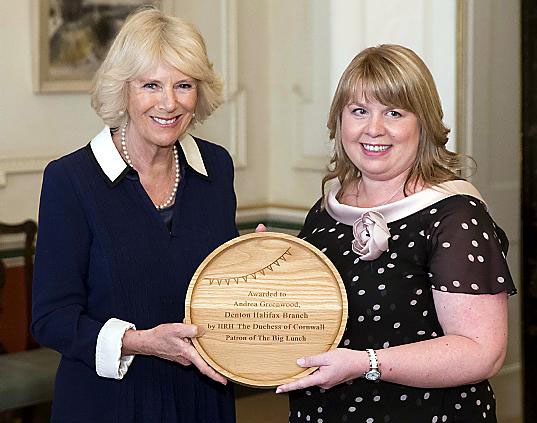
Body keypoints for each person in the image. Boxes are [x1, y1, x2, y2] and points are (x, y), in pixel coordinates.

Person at [276, 44, 516, 422]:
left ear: (423, 123)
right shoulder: (324, 213)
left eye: (394, 112)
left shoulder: (454, 216)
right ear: (340, 121)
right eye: (359, 111)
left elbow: (481, 351)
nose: (374, 129)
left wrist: (365, 364)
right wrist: (264, 266)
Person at [32, 7, 237, 422]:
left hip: (201, 399)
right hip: (107, 403)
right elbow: (52, 319)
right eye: (151, 85)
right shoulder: (70, 179)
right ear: (123, 90)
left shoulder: (216, 168)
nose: (169, 103)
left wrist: (256, 266)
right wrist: (139, 341)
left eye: (184, 85)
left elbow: (219, 291)